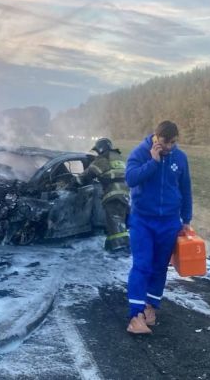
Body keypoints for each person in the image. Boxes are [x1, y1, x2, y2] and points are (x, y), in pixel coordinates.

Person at [125, 120, 192, 334]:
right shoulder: (140, 153)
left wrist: (186, 219)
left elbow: (186, 188)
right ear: (156, 137)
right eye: (165, 142)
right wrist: (153, 162)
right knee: (142, 265)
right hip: (142, 220)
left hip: (170, 222)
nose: (169, 147)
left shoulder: (180, 158)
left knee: (160, 267)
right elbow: (130, 179)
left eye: (173, 142)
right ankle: (135, 316)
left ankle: (150, 308)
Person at [80, 137, 130, 251]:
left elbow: (86, 176)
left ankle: (119, 249)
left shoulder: (102, 159)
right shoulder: (119, 158)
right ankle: (112, 246)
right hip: (125, 193)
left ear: (101, 149)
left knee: (115, 224)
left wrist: (73, 182)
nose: (97, 153)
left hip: (113, 194)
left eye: (97, 151)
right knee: (117, 223)